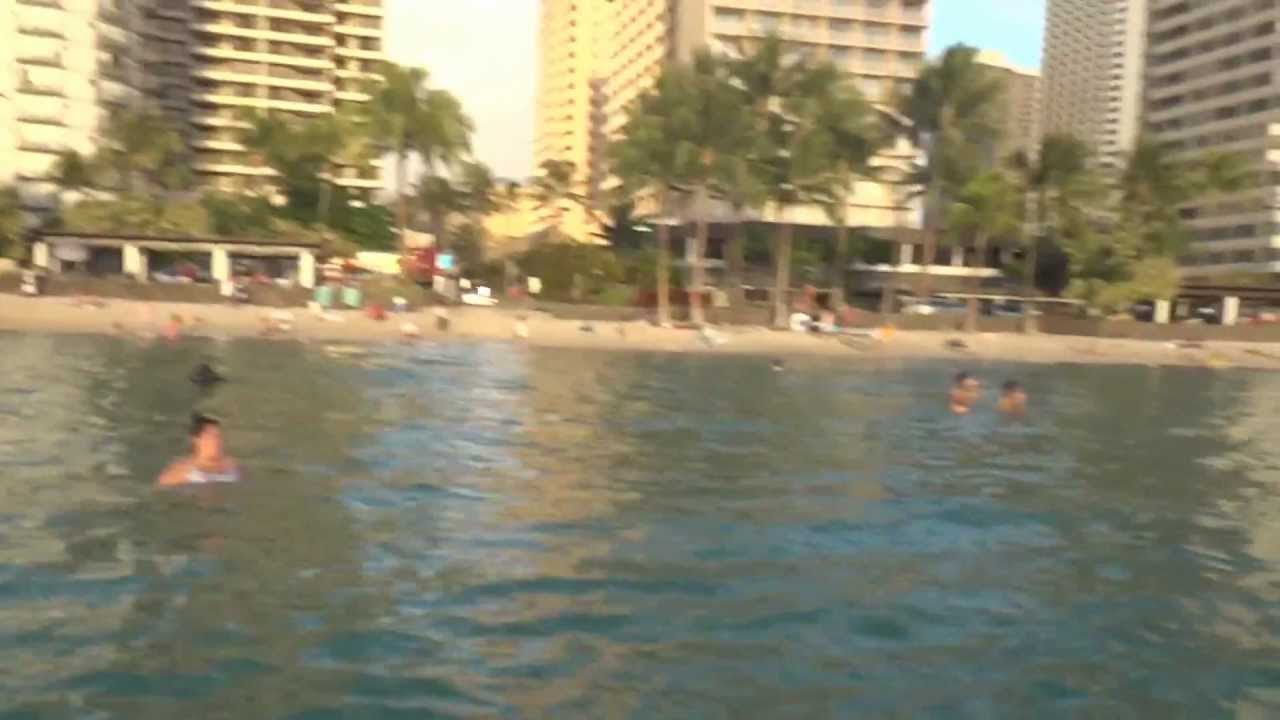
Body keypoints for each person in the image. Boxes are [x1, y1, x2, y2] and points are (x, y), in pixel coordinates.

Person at [157, 414, 240, 487]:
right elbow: (161, 488)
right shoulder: (183, 470)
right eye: (210, 436)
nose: (216, 441)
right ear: (197, 440)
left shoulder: (231, 465)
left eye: (218, 436)